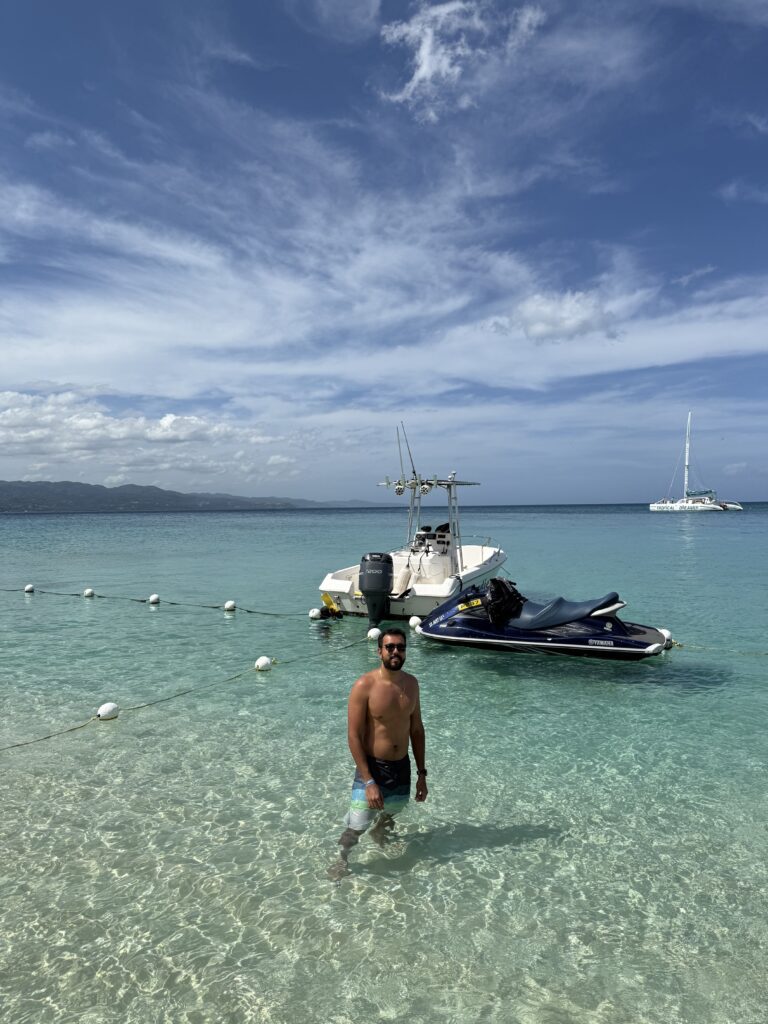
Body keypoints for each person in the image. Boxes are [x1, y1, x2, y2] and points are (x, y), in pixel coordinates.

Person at [329, 627, 428, 878]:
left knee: (392, 811)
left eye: (401, 647)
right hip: (372, 768)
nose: (395, 651)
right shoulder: (365, 685)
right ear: (379, 651)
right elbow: (353, 736)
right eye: (390, 647)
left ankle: (380, 832)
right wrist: (369, 780)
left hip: (401, 767)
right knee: (356, 825)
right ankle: (342, 859)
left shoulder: (412, 684)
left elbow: (416, 730)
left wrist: (422, 774)